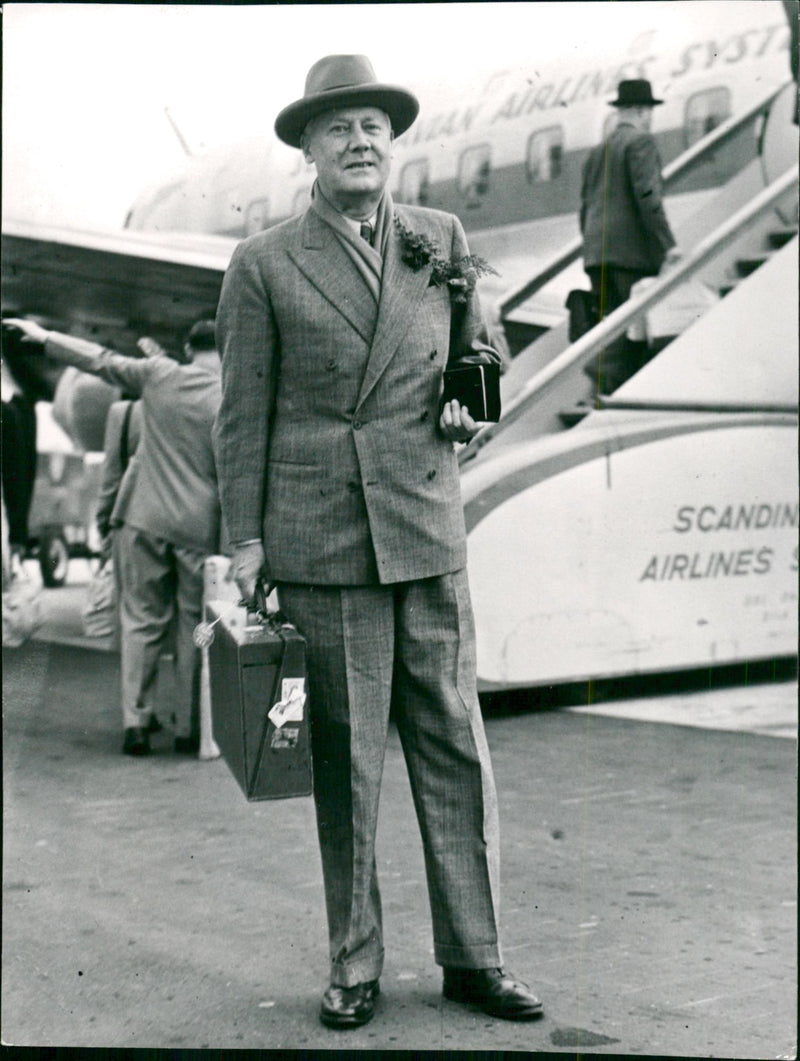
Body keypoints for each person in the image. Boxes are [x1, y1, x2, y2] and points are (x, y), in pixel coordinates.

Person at [213, 54, 543, 1030]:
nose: (359, 143)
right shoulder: (264, 262)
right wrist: (243, 540)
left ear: (391, 144)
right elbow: (241, 416)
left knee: (453, 747)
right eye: (338, 130)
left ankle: (474, 958)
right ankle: (354, 960)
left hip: (425, 528)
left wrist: (472, 399)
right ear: (306, 151)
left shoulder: (438, 236)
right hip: (323, 544)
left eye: (373, 128)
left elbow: (479, 348)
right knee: (346, 762)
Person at [3, 318, 222, 758]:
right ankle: (186, 726)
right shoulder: (232, 394)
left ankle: (135, 725)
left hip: (142, 521)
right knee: (192, 627)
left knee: (140, 621)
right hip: (199, 529)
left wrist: (46, 337)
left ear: (186, 346)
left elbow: (100, 361)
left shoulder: (159, 375)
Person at [580, 78, 680, 394]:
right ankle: (617, 390)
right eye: (649, 110)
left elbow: (585, 208)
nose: (650, 117)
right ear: (639, 110)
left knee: (612, 329)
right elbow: (649, 198)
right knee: (637, 330)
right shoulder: (642, 142)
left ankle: (605, 389)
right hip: (632, 256)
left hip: (598, 256)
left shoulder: (597, 151)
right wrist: (669, 248)